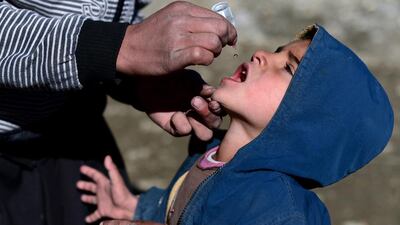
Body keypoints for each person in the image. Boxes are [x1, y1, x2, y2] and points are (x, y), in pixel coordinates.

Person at [77, 24, 394, 225]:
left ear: (311, 124)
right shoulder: (212, 151)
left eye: (288, 69)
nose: (261, 54)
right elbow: (188, 208)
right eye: (277, 51)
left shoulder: (277, 209)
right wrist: (139, 207)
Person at [0, 1, 237, 225]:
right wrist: (115, 47)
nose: (260, 57)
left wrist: (131, 77)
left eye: (277, 61)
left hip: (78, 134)